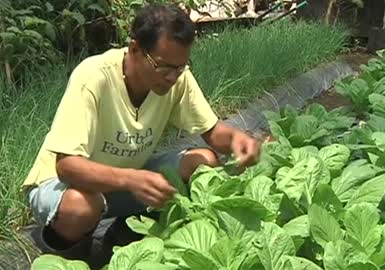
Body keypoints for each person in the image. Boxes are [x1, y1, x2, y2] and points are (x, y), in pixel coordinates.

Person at [21, 3, 260, 262]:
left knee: (203, 162)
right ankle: (71, 257)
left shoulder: (177, 78)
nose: (172, 77)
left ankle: (123, 237)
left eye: (180, 67)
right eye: (164, 67)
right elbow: (67, 166)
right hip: (65, 188)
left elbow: (212, 132)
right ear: (134, 48)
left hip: (125, 181)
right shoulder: (94, 77)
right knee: (82, 207)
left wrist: (238, 140)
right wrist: (132, 179)